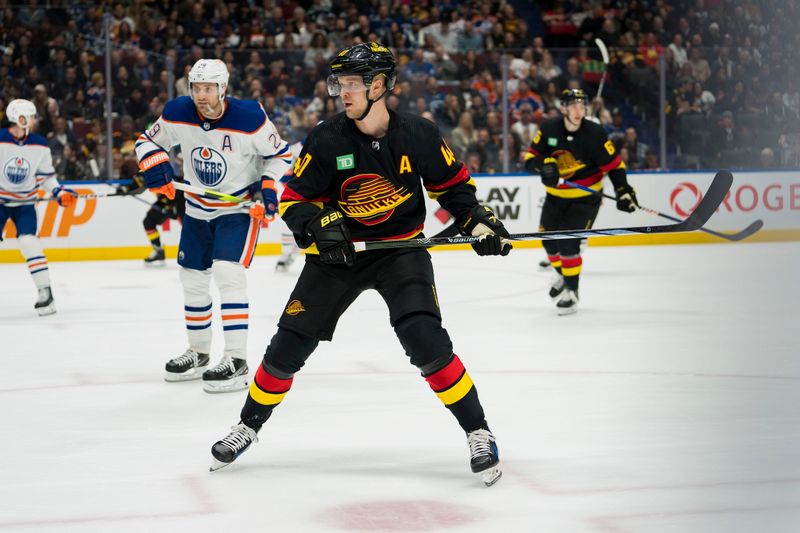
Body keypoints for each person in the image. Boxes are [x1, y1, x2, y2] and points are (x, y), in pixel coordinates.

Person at [210, 43, 510, 486]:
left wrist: (481, 224)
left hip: (400, 252)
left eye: (351, 83)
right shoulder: (327, 137)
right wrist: (319, 226)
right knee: (286, 349)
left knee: (426, 341)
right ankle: (247, 427)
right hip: (340, 257)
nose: (342, 92)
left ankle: (478, 431)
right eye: (340, 83)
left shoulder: (419, 135)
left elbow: (456, 192)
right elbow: (295, 200)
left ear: (379, 86)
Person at [135, 59, 291, 392]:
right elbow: (146, 141)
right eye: (196, 88)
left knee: (227, 274)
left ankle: (236, 359)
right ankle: (199, 352)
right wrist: (155, 164)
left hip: (238, 209)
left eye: (208, 88)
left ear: (223, 88)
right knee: (191, 279)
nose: (201, 96)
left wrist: (267, 187)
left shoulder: (249, 117)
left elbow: (281, 155)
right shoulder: (179, 112)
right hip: (196, 209)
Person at [524, 89, 638, 315]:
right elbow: (529, 160)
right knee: (548, 242)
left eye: (582, 105)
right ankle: (562, 274)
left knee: (568, 243)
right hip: (555, 197)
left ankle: (572, 292)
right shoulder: (548, 129)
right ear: (563, 108)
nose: (579, 110)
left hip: (586, 199)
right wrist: (544, 164)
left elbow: (614, 166)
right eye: (574, 105)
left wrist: (623, 190)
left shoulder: (595, 133)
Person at [0, 99, 77, 315]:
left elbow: (46, 177)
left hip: (24, 204)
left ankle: (46, 293)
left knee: (29, 242)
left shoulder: (40, 144)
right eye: (32, 116)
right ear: (20, 118)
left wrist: (58, 192)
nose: (35, 120)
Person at [117, 172, 185, 264]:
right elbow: (139, 183)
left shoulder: (157, 163)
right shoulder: (144, 167)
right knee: (149, 222)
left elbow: (174, 181)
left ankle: (201, 251)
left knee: (188, 227)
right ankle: (158, 251)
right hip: (165, 200)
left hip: (180, 198)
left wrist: (171, 206)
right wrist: (125, 189)